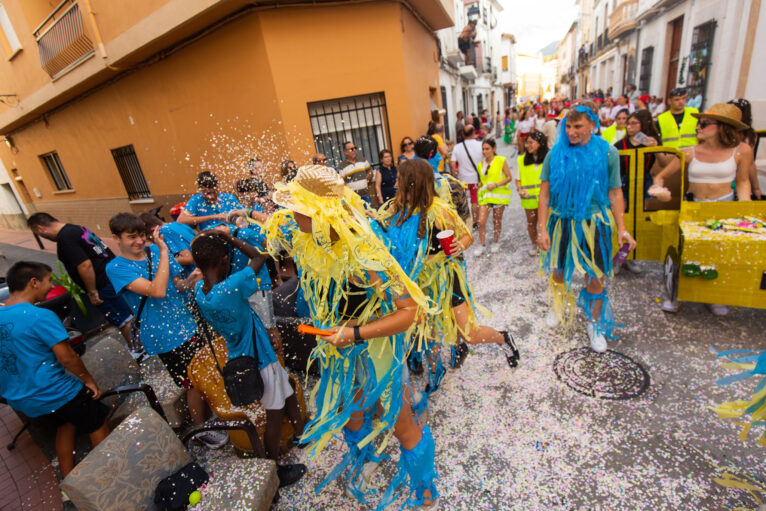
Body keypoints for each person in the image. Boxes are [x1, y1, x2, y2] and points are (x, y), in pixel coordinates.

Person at [263, 165, 438, 509]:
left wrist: (355, 333)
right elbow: (269, 224)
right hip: (337, 352)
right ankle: (366, 460)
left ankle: (424, 483)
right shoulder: (304, 235)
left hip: (375, 350)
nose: (291, 212)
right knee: (351, 415)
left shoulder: (365, 255)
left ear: (320, 213)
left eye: (298, 206)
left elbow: (409, 312)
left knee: (400, 424)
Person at [376, 159, 519, 369]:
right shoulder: (393, 209)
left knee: (469, 333)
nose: (395, 184)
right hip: (416, 282)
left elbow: (467, 235)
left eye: (400, 180)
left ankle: (503, 338)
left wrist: (458, 246)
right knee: (427, 328)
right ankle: (434, 370)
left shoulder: (438, 211)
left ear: (412, 183)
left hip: (445, 279)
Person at [191, 230, 307, 487]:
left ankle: (302, 433)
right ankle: (273, 470)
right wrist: (230, 238)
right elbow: (259, 255)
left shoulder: (201, 292)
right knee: (273, 414)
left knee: (286, 389)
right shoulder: (232, 286)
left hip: (242, 354)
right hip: (260, 360)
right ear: (224, 260)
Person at [105, 213, 228, 448]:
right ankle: (200, 428)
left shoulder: (153, 252)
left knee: (207, 372)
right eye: (132, 237)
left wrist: (190, 280)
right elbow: (156, 290)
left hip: (186, 323)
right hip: (164, 336)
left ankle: (214, 414)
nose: (140, 241)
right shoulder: (117, 267)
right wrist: (162, 251)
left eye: (142, 235)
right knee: (191, 381)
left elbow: (174, 286)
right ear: (116, 238)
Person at [537, 102, 636, 353]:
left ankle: (594, 324)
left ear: (593, 125)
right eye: (568, 126)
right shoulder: (555, 153)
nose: (571, 131)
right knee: (558, 270)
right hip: (561, 222)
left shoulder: (607, 152)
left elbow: (615, 192)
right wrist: (542, 229)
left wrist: (621, 228)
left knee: (596, 276)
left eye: (577, 126)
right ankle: (557, 307)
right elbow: (544, 194)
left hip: (595, 223)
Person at [0, 261, 110, 478]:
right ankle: (106, 478)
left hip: (22, 399)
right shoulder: (40, 316)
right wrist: (88, 381)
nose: (51, 287)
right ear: (33, 282)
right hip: (54, 392)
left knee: (66, 424)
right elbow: (67, 357)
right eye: (49, 281)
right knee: (97, 423)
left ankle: (69, 482)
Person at [652, 103, 753, 316]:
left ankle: (714, 296)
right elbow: (660, 176)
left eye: (705, 124)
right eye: (699, 123)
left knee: (719, 254)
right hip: (694, 207)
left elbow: (743, 182)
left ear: (723, 127)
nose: (698, 127)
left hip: (724, 209)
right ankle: (676, 295)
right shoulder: (689, 152)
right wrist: (659, 190)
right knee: (686, 252)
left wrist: (746, 211)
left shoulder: (742, 151)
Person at [27, 213, 135, 352]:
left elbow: (85, 265)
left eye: (38, 233)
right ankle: (139, 347)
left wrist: (92, 291)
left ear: (41, 228)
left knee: (124, 320)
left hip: (103, 284)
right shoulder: (76, 229)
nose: (41, 236)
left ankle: (138, 351)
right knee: (128, 316)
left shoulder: (65, 238)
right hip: (113, 277)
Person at [612, 110, 670, 275]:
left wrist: (656, 148)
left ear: (644, 124)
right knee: (622, 219)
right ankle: (618, 258)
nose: (629, 127)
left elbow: (665, 162)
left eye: (633, 123)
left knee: (637, 221)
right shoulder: (621, 145)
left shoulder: (651, 142)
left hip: (642, 182)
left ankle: (630, 257)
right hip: (622, 182)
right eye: (628, 123)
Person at [474, 138, 512, 255]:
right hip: (485, 196)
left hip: (498, 196)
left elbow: (508, 177)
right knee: (481, 221)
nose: (484, 151)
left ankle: (495, 241)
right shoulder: (480, 165)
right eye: (483, 149)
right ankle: (482, 244)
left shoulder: (501, 160)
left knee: (496, 220)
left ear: (494, 149)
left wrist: (496, 184)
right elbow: (482, 180)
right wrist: (479, 184)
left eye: (487, 149)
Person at [514, 131, 548, 256]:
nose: (527, 145)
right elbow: (517, 179)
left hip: (546, 199)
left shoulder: (548, 159)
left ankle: (545, 243)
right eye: (526, 142)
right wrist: (519, 189)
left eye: (531, 142)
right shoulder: (521, 160)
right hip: (529, 199)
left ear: (540, 143)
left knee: (544, 223)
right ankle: (534, 244)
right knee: (531, 223)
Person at [177, 172, 243, 230]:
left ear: (217, 187)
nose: (212, 196)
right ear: (201, 190)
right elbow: (181, 220)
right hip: (210, 237)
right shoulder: (197, 200)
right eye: (208, 193)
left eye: (215, 192)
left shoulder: (228, 198)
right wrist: (214, 217)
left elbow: (243, 214)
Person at [728, 98, 762, 199]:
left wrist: (756, 188)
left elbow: (750, 163)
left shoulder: (749, 135)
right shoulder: (720, 129)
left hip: (736, 180)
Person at [450, 125, 483, 229]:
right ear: (474, 133)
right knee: (474, 200)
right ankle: (475, 221)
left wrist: (454, 172)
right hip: (475, 179)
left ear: (463, 134)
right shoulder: (480, 145)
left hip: (462, 179)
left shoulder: (457, 147)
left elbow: (452, 163)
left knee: (463, 200)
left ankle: (465, 221)